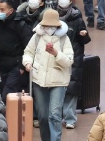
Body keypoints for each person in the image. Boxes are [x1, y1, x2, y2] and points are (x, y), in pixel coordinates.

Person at [22, 10, 74, 141]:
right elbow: (28, 52)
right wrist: (28, 63)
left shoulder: (64, 39)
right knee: (43, 116)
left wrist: (56, 53)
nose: (47, 29)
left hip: (58, 81)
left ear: (57, 26)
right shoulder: (37, 36)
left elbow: (69, 61)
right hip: (38, 80)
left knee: (54, 114)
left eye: (51, 26)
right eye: (45, 26)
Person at [55, 0, 89, 128]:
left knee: (72, 86)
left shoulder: (77, 18)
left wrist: (83, 34)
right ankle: (57, 115)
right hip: (56, 55)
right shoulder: (52, 17)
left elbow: (85, 39)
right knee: (57, 86)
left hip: (74, 55)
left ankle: (70, 118)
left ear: (70, 0)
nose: (63, 0)